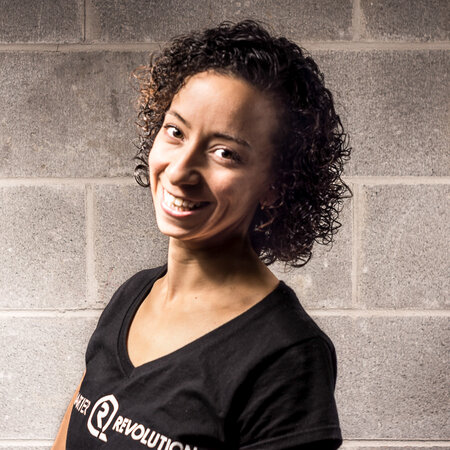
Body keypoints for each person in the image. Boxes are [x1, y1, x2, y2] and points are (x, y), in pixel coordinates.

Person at [53, 19, 351, 450]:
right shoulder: (133, 295)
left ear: (276, 184)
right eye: (175, 131)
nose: (179, 171)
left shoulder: (287, 357)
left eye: (224, 153)